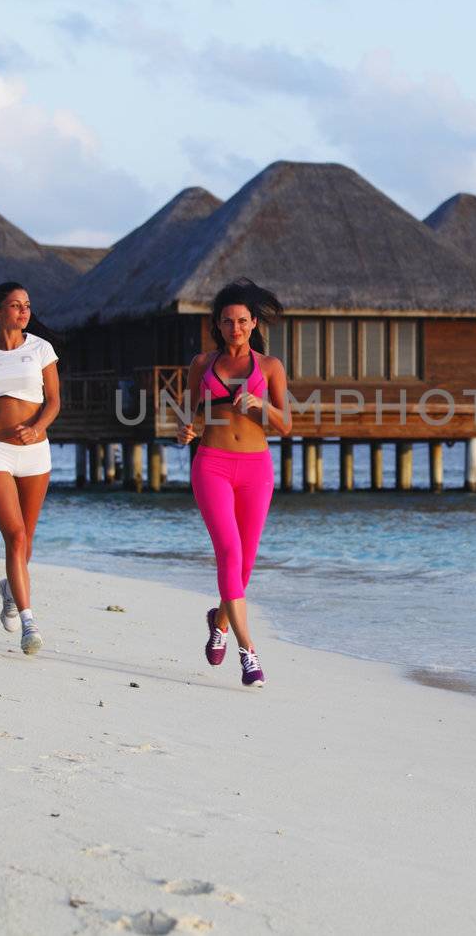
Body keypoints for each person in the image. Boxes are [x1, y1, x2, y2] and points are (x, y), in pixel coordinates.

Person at [176, 279, 291, 687]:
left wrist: (263, 405)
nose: (236, 328)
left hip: (256, 469)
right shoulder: (201, 364)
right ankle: (249, 653)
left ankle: (219, 619)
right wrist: (185, 431)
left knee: (245, 563)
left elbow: (286, 423)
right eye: (228, 321)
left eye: (242, 321)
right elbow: (189, 415)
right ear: (218, 325)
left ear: (253, 323)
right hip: (213, 465)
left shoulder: (271, 367)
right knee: (228, 551)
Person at [0, 282, 61, 655]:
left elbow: (53, 402)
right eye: (15, 305)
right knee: (15, 536)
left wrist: (37, 427)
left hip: (36, 453)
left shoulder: (41, 349)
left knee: (27, 540)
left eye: (27, 305)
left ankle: (8, 589)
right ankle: (29, 621)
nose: (23, 311)